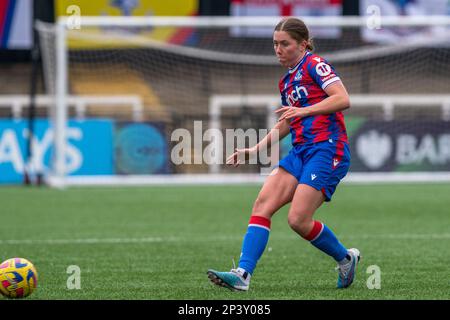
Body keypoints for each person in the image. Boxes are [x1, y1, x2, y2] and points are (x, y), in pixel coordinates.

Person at [207, 17, 360, 291]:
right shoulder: (287, 81)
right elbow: (288, 120)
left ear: (302, 44)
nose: (278, 49)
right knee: (262, 206)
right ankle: (243, 275)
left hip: (327, 148)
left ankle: (345, 258)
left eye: (284, 44)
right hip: (300, 151)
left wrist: (305, 110)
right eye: (275, 44)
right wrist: (255, 148)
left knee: (297, 220)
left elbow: (342, 98)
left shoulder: (315, 65)